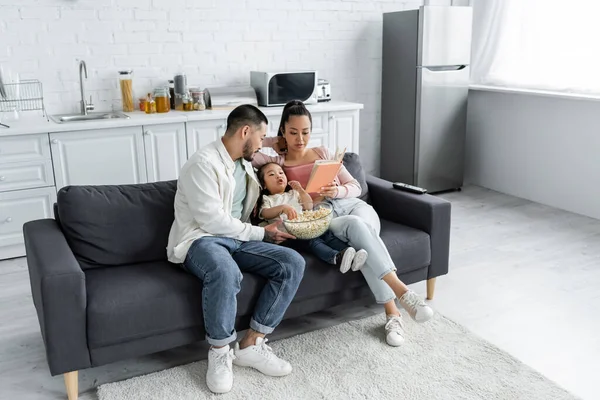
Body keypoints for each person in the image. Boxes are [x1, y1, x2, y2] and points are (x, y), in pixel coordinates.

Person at [252, 100, 434, 347]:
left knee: (362, 232)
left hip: (353, 207)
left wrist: (337, 190)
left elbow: (356, 187)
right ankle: (400, 301)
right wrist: (274, 141)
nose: (300, 139)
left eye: (305, 132)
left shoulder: (324, 154)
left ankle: (395, 310)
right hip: (329, 219)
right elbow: (247, 146)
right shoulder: (278, 163)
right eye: (293, 132)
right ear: (283, 130)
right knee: (358, 230)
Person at [167, 104, 306, 394]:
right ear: (245, 132)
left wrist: (274, 140)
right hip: (201, 238)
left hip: (237, 238)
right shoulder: (202, 164)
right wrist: (261, 233)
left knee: (292, 263)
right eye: (260, 136)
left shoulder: (243, 162)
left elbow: (265, 147)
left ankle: (252, 343)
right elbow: (212, 221)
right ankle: (219, 352)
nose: (261, 143)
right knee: (225, 271)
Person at [257, 161, 368, 274]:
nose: (278, 176)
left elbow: (308, 205)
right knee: (312, 241)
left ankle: (349, 253)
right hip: (289, 236)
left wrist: (301, 190)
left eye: (281, 172)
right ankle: (336, 257)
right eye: (271, 174)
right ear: (264, 184)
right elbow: (265, 213)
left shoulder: (293, 194)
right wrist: (282, 208)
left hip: (306, 228)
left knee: (326, 233)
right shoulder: (268, 199)